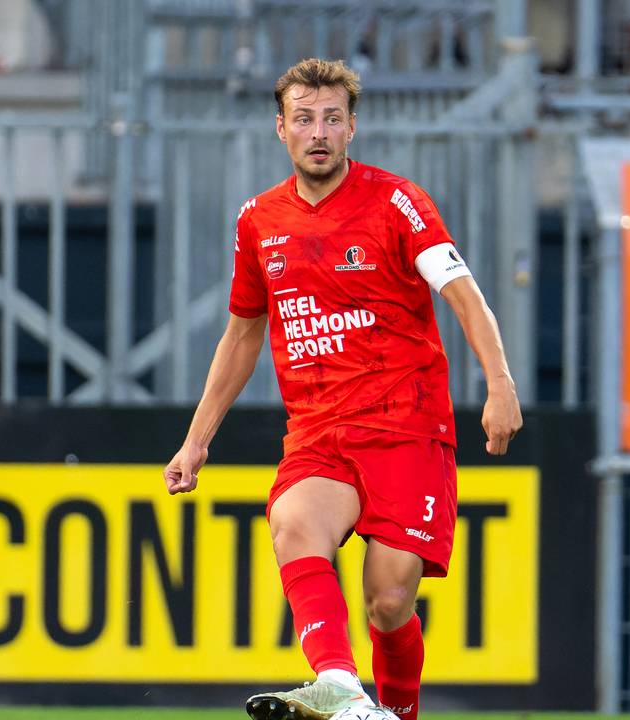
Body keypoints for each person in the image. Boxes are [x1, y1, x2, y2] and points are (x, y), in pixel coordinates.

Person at [163, 58, 523, 720]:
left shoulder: (398, 202)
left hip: (407, 425)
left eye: (332, 118)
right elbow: (242, 336)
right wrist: (195, 441)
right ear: (281, 129)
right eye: (304, 119)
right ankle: (339, 684)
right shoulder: (258, 221)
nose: (319, 133)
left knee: (389, 601)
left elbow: (464, 296)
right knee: (292, 520)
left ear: (352, 127)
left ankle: (395, 712)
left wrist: (499, 382)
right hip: (320, 433)